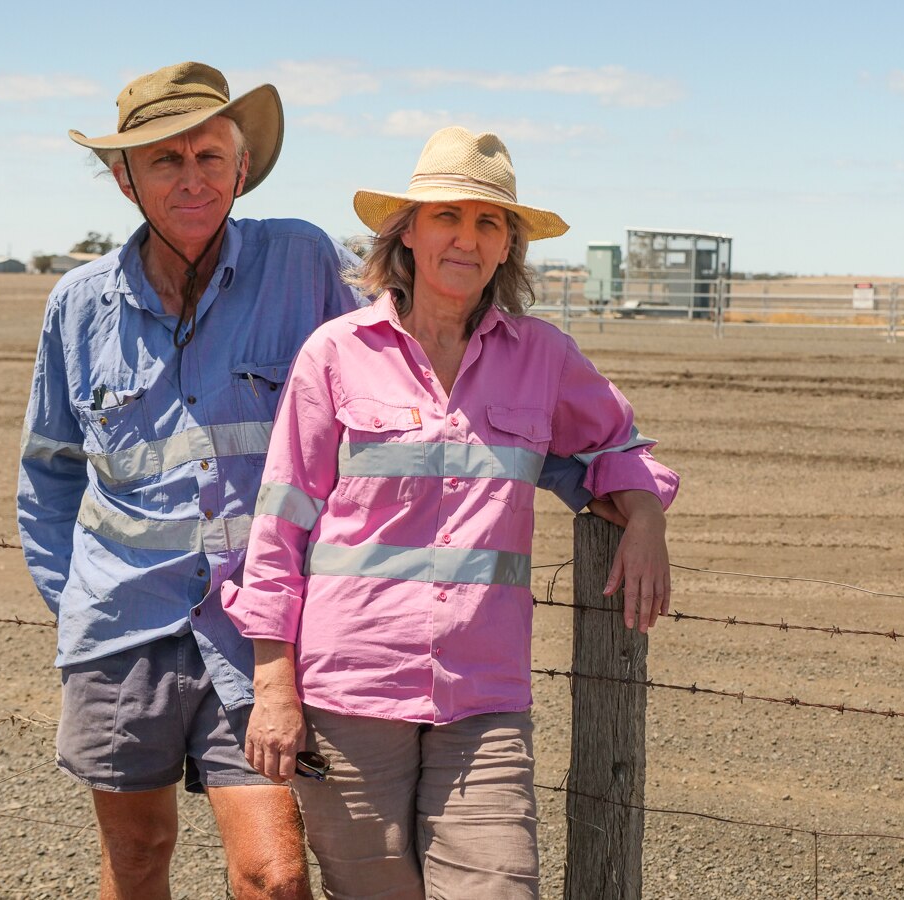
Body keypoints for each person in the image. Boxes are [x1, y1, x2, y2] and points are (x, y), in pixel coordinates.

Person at [15, 63, 595, 899]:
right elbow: (51, 472)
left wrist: (590, 474)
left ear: (242, 167)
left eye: (210, 156)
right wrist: (77, 602)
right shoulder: (77, 304)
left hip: (254, 636)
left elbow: (415, 374)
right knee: (137, 859)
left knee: (275, 877)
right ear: (124, 178)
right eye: (164, 160)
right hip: (121, 627)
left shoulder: (304, 261)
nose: (192, 178)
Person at [223, 126, 679, 898]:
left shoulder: (543, 357)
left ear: (508, 249)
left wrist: (647, 519)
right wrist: (275, 690)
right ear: (408, 233)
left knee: (498, 885)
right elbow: (279, 527)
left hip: (483, 698)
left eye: (488, 222)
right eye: (447, 217)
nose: (466, 239)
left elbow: (620, 444)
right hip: (348, 692)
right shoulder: (334, 355)